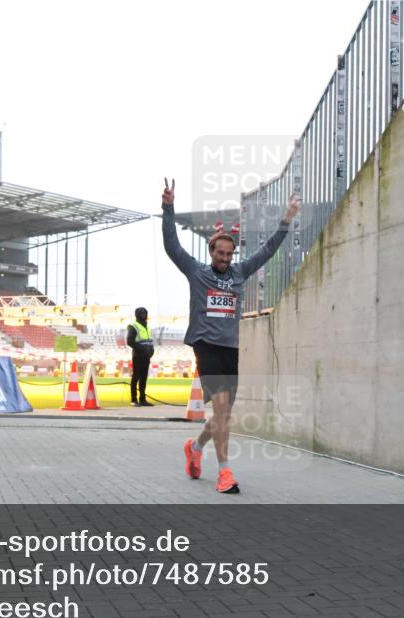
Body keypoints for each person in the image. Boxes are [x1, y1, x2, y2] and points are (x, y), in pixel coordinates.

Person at [160, 177, 301, 493]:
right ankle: (225, 472)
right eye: (220, 253)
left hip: (230, 348)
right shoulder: (197, 271)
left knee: (223, 413)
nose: (225, 258)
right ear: (211, 251)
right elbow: (172, 246)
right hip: (205, 346)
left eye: (229, 254)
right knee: (222, 407)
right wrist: (168, 208)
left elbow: (268, 249)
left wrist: (287, 218)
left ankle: (195, 449)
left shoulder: (239, 272)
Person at [127, 307, 155, 407]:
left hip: (146, 356)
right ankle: (134, 400)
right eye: (141, 313)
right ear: (137, 314)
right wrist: (142, 349)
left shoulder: (147, 327)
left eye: (145, 312)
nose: (143, 314)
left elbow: (149, 341)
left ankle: (143, 400)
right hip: (138, 355)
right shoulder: (134, 326)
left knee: (144, 378)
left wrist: (151, 350)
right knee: (136, 377)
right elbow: (129, 341)